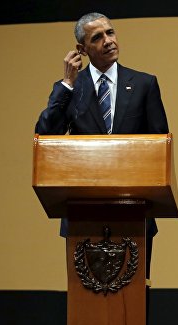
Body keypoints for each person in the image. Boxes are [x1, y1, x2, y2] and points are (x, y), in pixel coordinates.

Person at [35, 12, 169, 280]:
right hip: (83, 212)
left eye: (110, 32)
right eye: (97, 37)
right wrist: (67, 84)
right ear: (82, 50)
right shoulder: (72, 88)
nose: (108, 40)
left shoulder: (143, 84)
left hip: (135, 210)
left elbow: (159, 145)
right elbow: (46, 135)